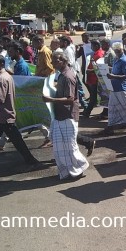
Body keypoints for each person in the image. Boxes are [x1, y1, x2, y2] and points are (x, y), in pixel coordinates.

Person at [42, 52, 90, 180]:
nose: (52, 63)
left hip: (68, 116)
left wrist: (51, 99)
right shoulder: (62, 75)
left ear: (63, 61)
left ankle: (78, 168)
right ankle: (70, 171)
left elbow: (70, 99)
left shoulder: (68, 76)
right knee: (60, 148)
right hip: (60, 115)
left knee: (70, 147)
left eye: (55, 61)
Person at [104, 42, 126, 133]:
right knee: (112, 107)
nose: (117, 51)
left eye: (118, 50)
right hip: (114, 87)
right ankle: (111, 125)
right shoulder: (116, 59)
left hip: (121, 88)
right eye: (115, 50)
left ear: (121, 50)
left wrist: (113, 77)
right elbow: (115, 71)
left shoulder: (124, 61)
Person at [83, 39, 104, 118]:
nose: (91, 47)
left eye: (92, 46)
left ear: (97, 46)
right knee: (94, 97)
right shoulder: (96, 53)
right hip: (92, 79)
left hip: (95, 79)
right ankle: (87, 112)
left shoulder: (99, 54)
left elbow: (99, 68)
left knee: (93, 97)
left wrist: (90, 71)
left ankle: (87, 113)